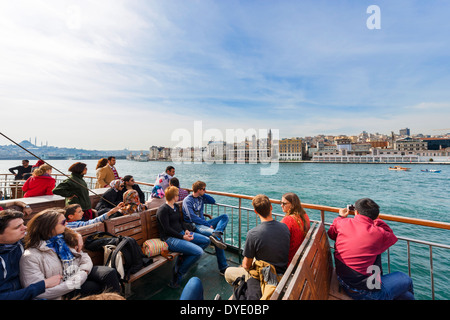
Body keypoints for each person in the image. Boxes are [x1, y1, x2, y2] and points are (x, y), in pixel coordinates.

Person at [19, 208, 121, 300]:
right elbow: (40, 292)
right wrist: (79, 278)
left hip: (78, 274)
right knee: (97, 287)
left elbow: (84, 257)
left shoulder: (62, 241)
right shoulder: (30, 256)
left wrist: (84, 271)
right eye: (63, 222)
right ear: (49, 227)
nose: (67, 224)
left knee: (109, 273)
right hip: (62, 290)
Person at [327, 198, 415, 300]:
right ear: (375, 215)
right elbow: (391, 236)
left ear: (356, 211)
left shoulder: (342, 223)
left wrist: (341, 216)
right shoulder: (379, 233)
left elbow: (332, 234)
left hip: (343, 280)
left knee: (405, 296)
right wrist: (376, 219)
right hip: (363, 292)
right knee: (406, 279)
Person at [224, 194, 290, 286]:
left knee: (228, 272)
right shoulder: (284, 227)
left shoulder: (253, 234)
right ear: (271, 207)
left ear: (255, 211)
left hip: (266, 279)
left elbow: (246, 265)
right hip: (283, 272)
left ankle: (244, 292)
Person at [0, 209, 62, 299]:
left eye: (23, 224)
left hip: (27, 290)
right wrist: (43, 284)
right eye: (17, 227)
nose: (25, 228)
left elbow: (46, 230)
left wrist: (74, 235)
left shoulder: (18, 241)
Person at [156, 186, 210, 288]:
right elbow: (167, 229)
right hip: (170, 239)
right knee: (198, 252)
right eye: (177, 195)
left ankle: (184, 258)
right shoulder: (163, 210)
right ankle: (178, 273)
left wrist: (185, 230)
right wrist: (182, 237)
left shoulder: (175, 206)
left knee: (206, 240)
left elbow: (179, 222)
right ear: (174, 196)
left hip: (181, 233)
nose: (178, 196)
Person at [182, 181, 229, 274]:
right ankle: (223, 267)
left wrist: (203, 194)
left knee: (224, 217)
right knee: (218, 239)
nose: (205, 190)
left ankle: (217, 232)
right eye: (203, 189)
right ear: (198, 190)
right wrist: (207, 225)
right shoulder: (188, 200)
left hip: (203, 224)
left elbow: (212, 201)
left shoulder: (201, 197)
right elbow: (193, 217)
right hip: (194, 226)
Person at [280, 192, 310, 265]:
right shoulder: (304, 216)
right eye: (281, 203)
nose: (281, 205)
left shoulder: (288, 220)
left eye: (284, 203)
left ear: (292, 205)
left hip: (289, 259)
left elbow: (280, 241)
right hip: (298, 255)